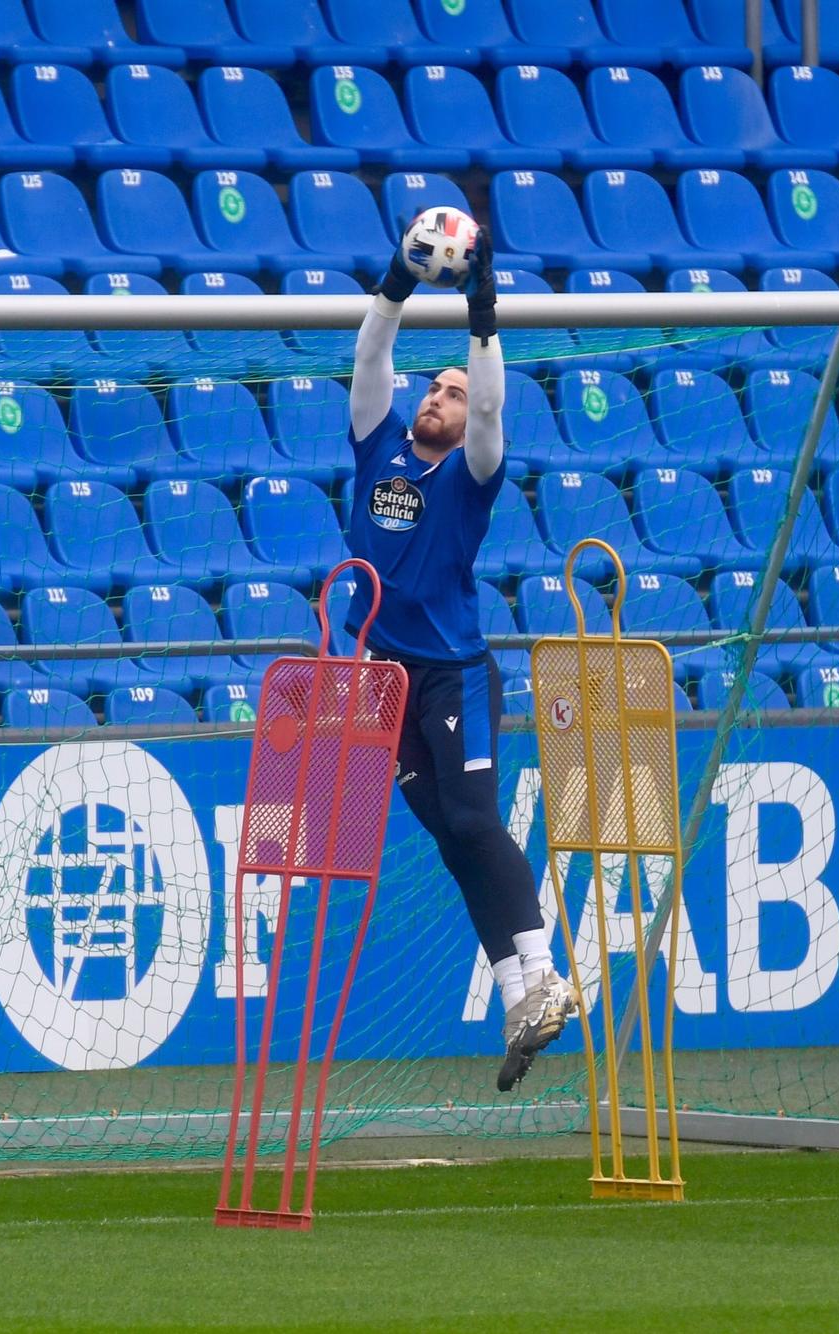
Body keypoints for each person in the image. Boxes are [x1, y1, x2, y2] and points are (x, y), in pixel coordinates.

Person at [343, 210, 575, 1092]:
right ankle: (520, 994)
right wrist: (398, 280)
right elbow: (370, 360)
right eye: (430, 390)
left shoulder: (470, 476)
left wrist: (479, 309)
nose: (441, 400)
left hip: (451, 670)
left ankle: (543, 969)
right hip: (383, 681)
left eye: (448, 391)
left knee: (476, 819)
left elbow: (489, 404)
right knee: (449, 837)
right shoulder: (376, 449)